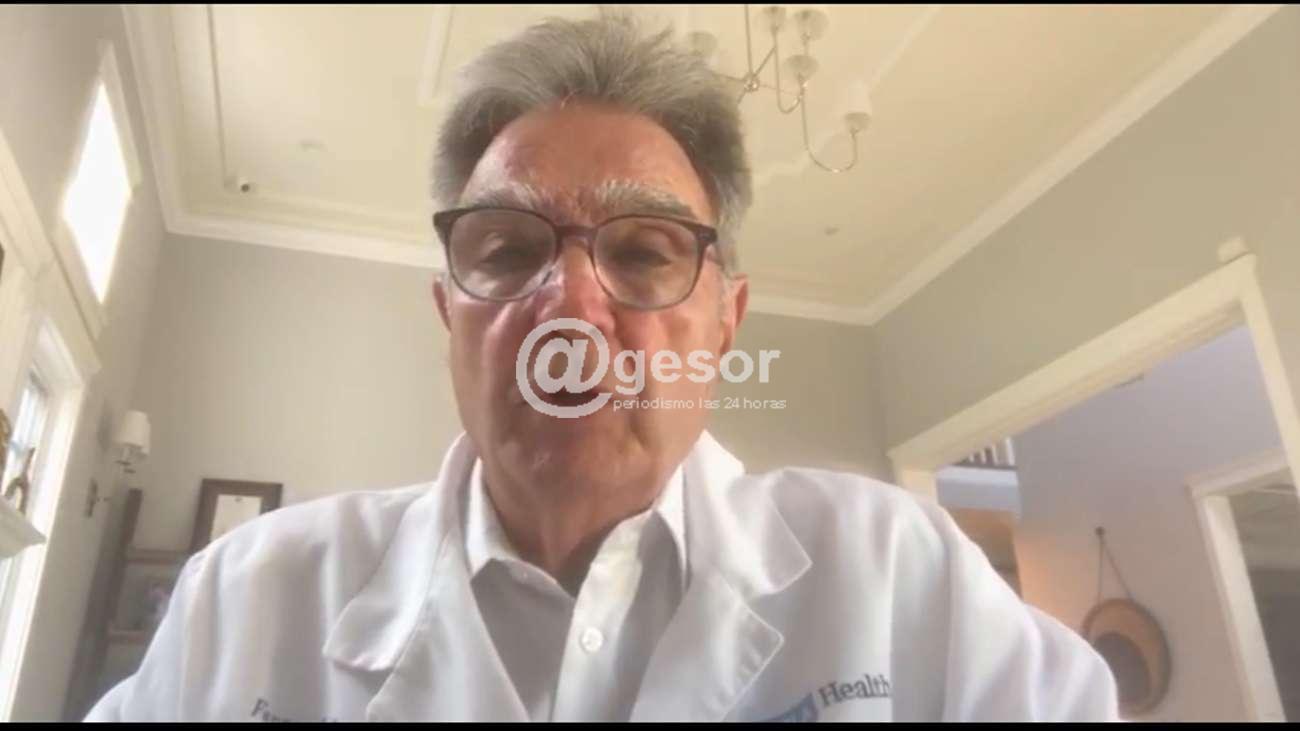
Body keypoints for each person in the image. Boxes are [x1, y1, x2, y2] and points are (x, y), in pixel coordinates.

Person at [86, 12, 1118, 722]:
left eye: (642, 252)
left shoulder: (897, 573)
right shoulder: (247, 599)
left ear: (724, 321)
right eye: (507, 249)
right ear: (450, 315)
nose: (572, 309)